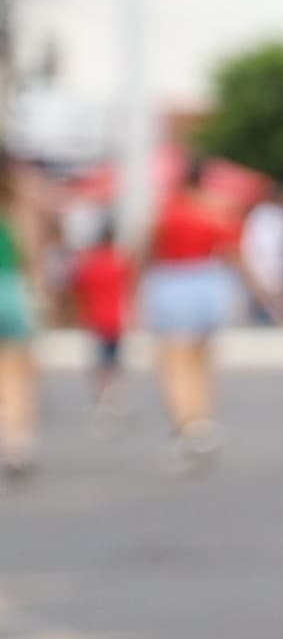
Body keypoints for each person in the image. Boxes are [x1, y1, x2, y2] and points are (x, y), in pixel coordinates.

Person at [139, 159, 235, 468]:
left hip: (174, 281)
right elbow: (234, 251)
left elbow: (147, 248)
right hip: (210, 282)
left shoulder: (167, 209)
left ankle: (187, 426)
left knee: (174, 362)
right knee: (201, 360)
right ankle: (203, 420)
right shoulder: (216, 210)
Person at [68, 224, 130, 417]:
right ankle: (112, 396)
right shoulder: (119, 263)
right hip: (115, 319)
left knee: (99, 360)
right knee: (113, 360)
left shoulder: (90, 264)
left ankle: (102, 395)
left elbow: (78, 289)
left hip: (95, 318)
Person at [0, 162, 37, 481]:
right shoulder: (15, 213)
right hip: (9, 291)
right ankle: (16, 447)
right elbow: (30, 256)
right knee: (14, 376)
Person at [239, 186, 283, 326]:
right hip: (270, 265)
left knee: (273, 300)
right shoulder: (276, 215)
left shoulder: (260, 215)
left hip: (266, 264)